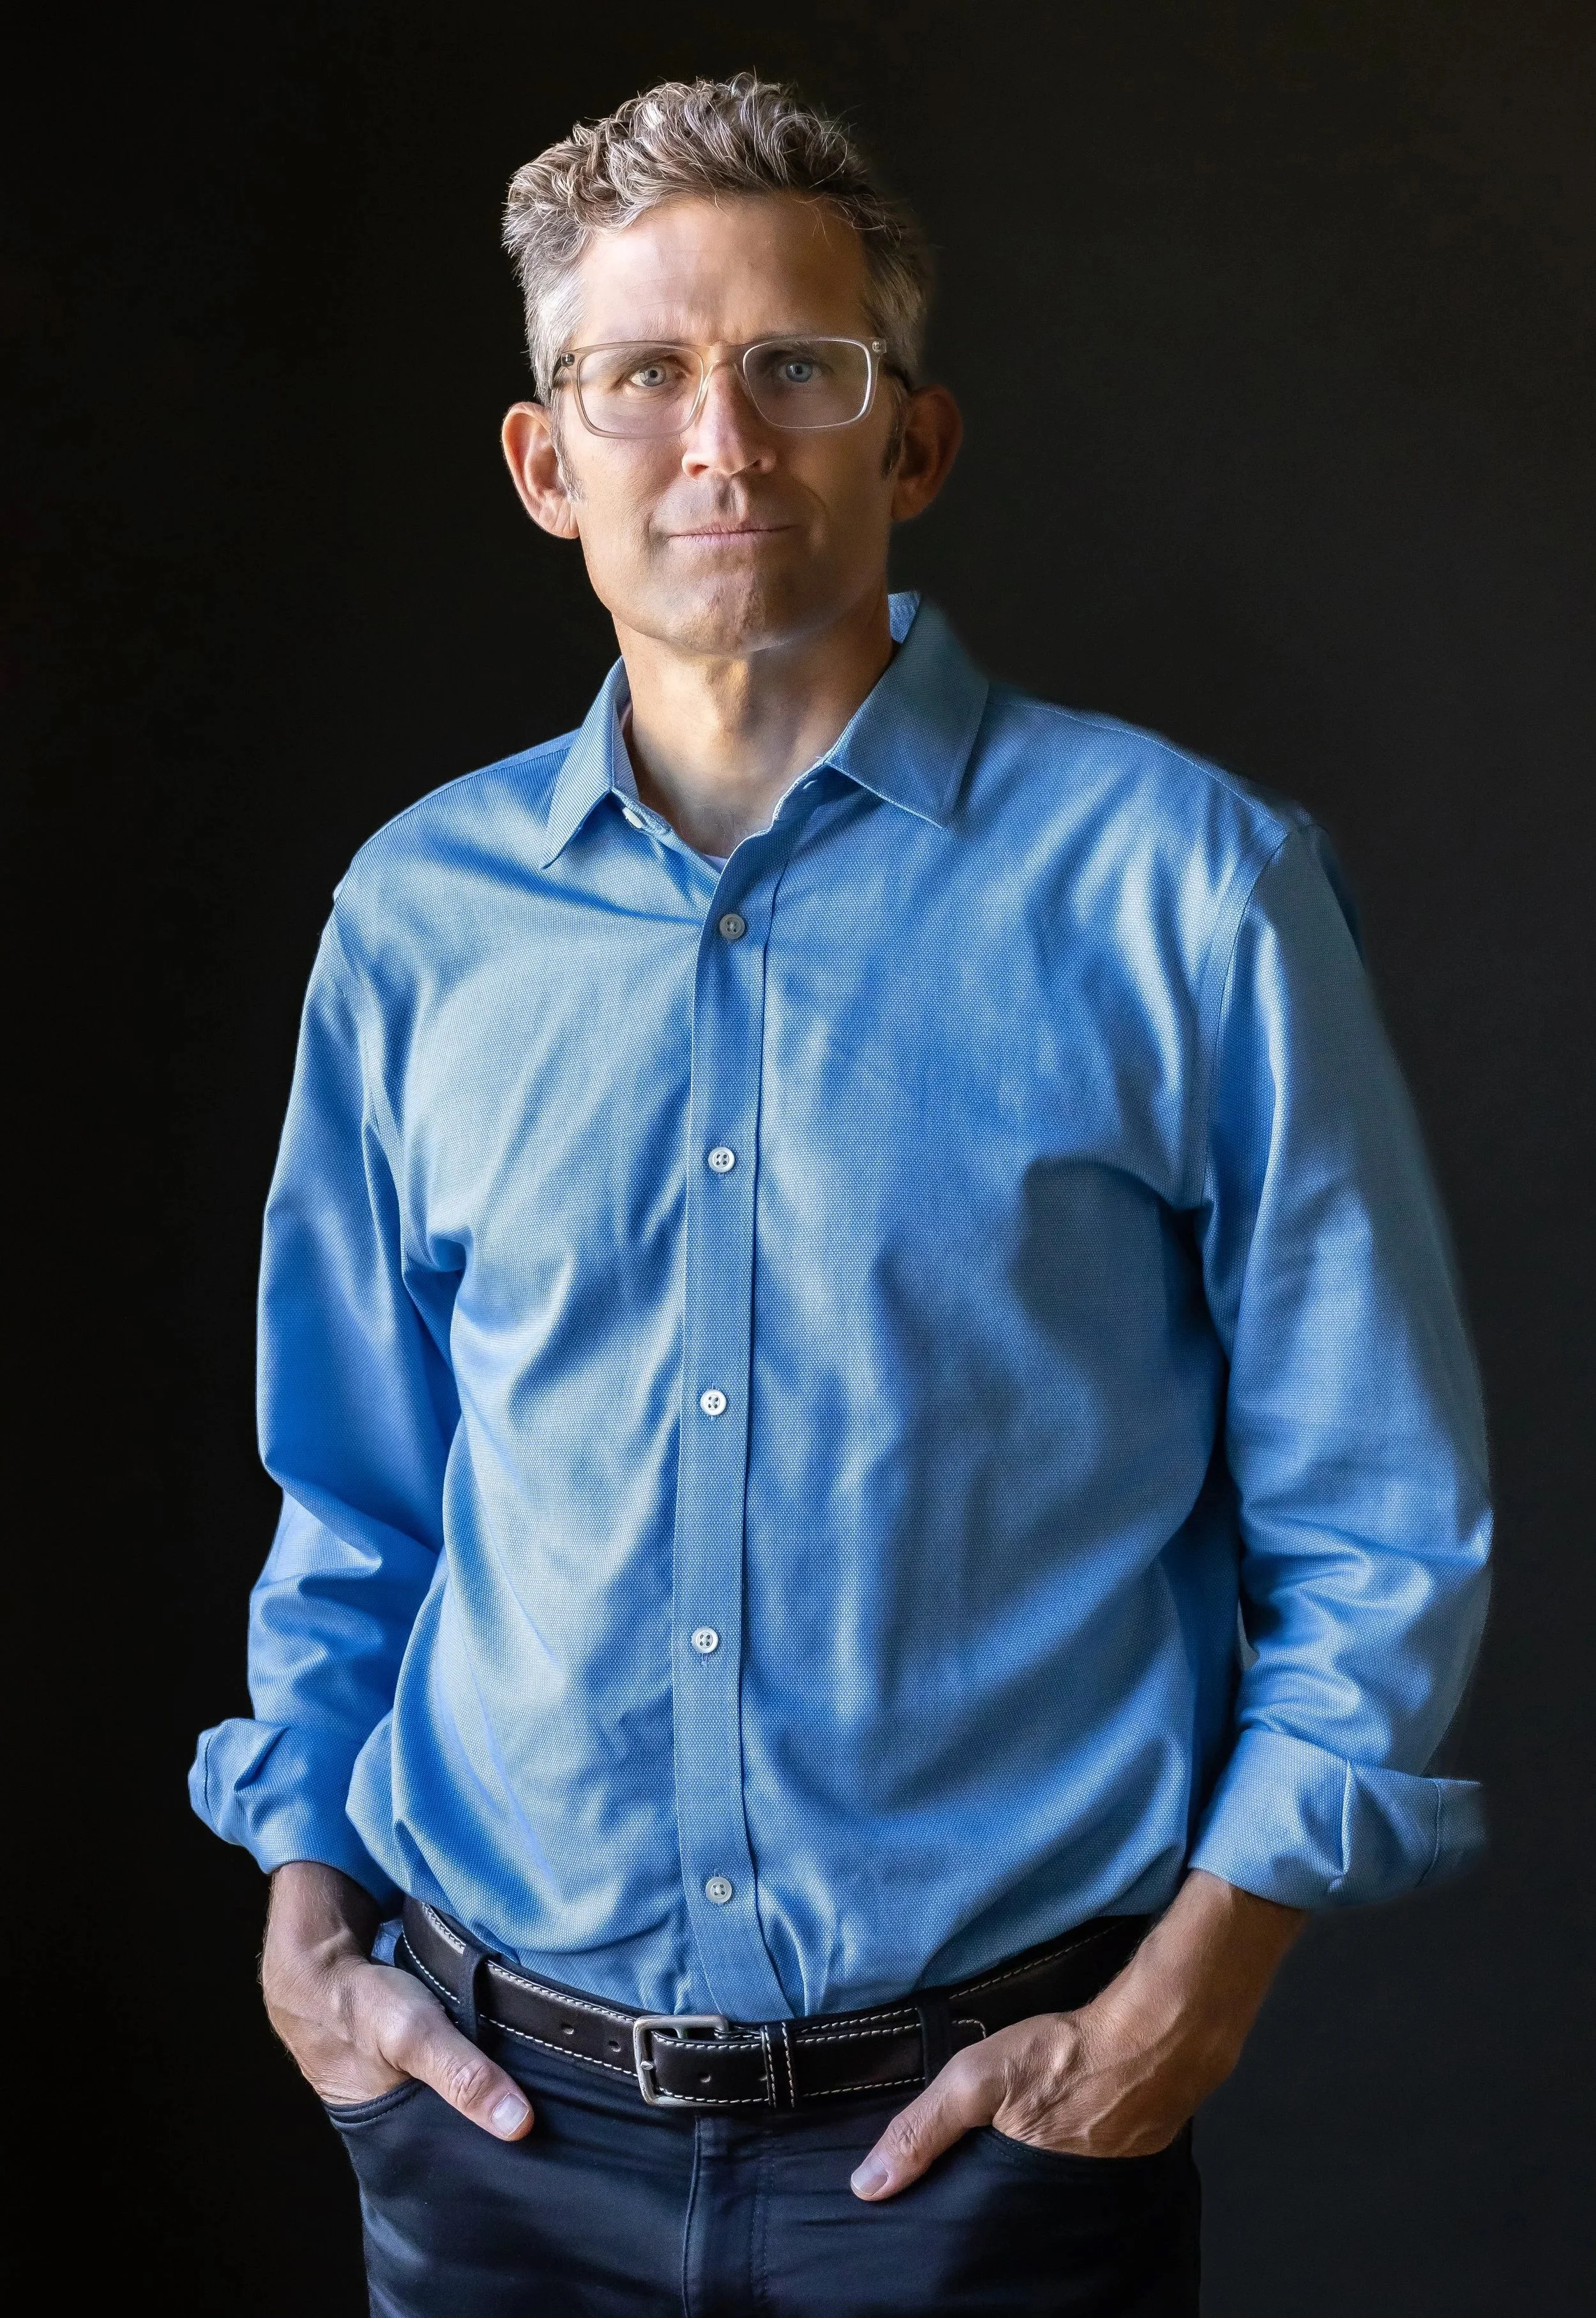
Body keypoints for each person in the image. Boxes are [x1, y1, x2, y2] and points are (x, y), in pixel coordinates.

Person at [190, 71, 1491, 2317]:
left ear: (915, 442)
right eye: (638, 376)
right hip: (489, 2143)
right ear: (544, 462)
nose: (720, 443)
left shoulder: (1184, 891)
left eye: (796, 367)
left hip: (989, 2153)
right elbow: (359, 1495)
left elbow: (1377, 1521)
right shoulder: (417, 921)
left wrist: (1182, 2007)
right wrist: (309, 1922)